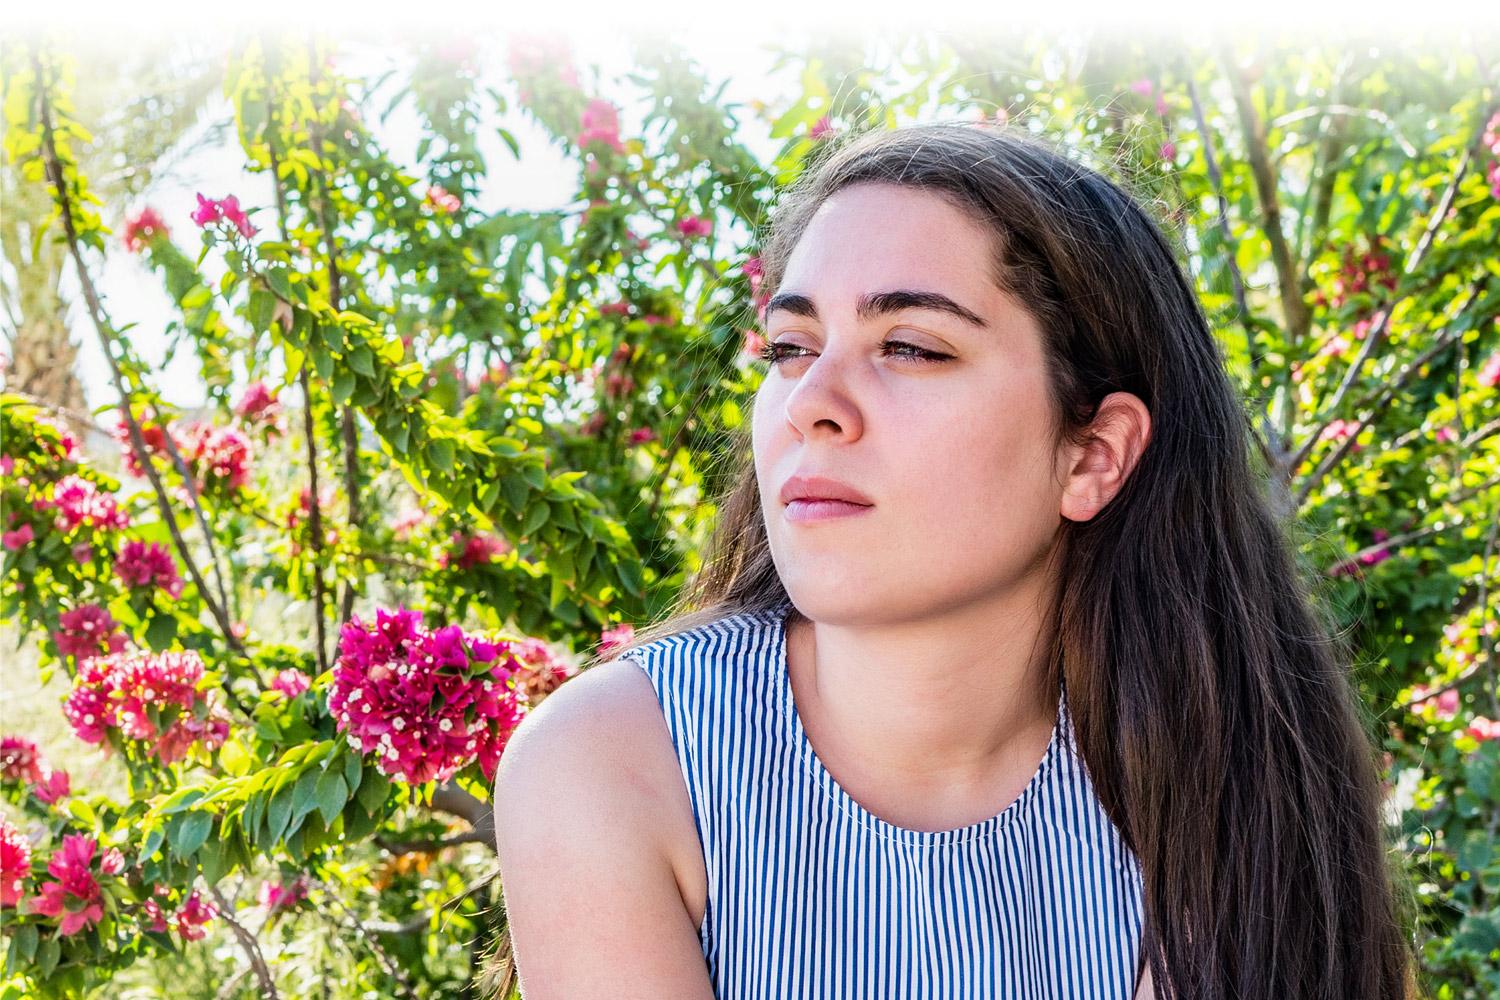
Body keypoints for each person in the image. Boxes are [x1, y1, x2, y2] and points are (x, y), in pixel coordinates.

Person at [489, 120, 1419, 999]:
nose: (813, 400)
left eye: (909, 347)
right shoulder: (616, 766)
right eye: (789, 346)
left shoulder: (1240, 772)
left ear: (1091, 454)